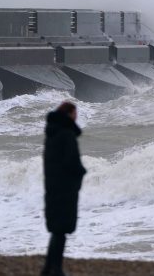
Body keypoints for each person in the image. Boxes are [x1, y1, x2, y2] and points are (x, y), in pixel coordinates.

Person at [41, 102, 86, 276]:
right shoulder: (67, 135)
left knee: (57, 230)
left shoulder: (51, 134)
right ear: (69, 114)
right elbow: (72, 162)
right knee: (61, 230)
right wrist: (81, 173)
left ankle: (47, 268)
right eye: (75, 113)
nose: (77, 116)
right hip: (65, 188)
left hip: (52, 186)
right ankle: (57, 269)